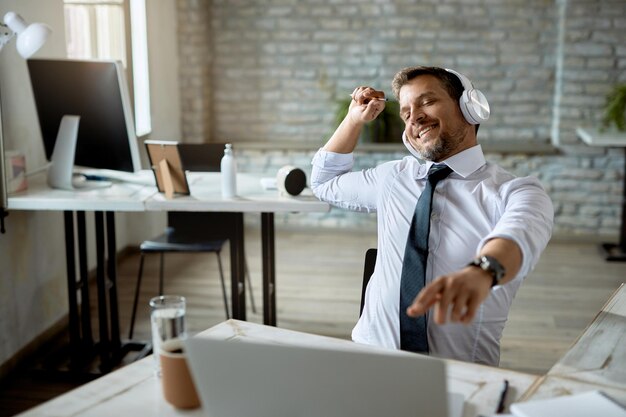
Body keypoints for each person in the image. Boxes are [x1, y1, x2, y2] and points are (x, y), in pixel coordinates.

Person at [310, 66, 553, 366]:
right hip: (369, 357)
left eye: (426, 102)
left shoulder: (516, 192)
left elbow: (518, 237)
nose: (414, 117)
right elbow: (324, 183)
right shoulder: (394, 178)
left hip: (459, 374)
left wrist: (482, 271)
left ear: (469, 108)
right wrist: (353, 119)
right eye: (405, 112)